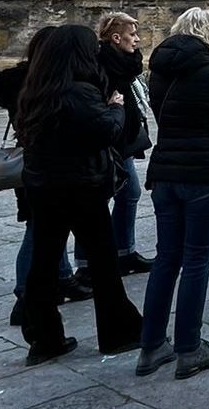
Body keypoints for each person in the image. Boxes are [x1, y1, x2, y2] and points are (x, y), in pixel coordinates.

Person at [14, 25, 143, 365]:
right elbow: (106, 131)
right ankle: (119, 332)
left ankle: (44, 337)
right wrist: (116, 106)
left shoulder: (36, 88)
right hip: (81, 186)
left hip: (42, 185)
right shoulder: (79, 91)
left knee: (43, 262)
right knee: (103, 262)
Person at [137, 7, 209, 380]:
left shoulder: (158, 71)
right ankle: (189, 348)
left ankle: (151, 346)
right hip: (205, 170)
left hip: (166, 170)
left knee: (166, 259)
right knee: (197, 261)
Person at [0, 27, 90, 330]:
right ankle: (24, 295)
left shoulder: (22, 81)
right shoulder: (42, 83)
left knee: (49, 225)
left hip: (34, 166)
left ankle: (62, 276)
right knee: (39, 229)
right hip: (44, 166)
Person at [81, 12, 154, 284]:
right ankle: (88, 262)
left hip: (123, 137)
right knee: (99, 199)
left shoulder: (125, 64)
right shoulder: (102, 64)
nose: (137, 39)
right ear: (116, 37)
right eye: (132, 34)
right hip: (107, 139)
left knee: (128, 192)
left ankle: (124, 251)